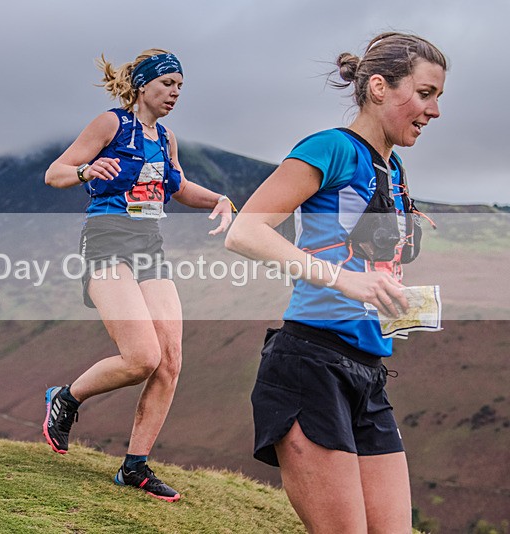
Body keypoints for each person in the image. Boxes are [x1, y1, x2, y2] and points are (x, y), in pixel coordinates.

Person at [225, 32, 446, 532]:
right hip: (310, 367)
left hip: (368, 374)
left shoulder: (394, 167)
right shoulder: (331, 148)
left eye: (438, 97)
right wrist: (345, 282)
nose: (434, 110)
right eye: (426, 93)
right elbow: (246, 232)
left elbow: (366, 262)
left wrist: (395, 298)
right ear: (378, 88)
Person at [42, 49, 234, 502]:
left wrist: (219, 199)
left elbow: (178, 186)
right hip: (106, 240)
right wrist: (87, 169)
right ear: (143, 85)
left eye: (180, 87)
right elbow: (55, 173)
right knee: (141, 357)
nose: (175, 94)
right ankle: (66, 398)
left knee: (170, 359)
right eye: (168, 84)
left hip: (150, 246)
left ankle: (135, 467)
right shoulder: (111, 124)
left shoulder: (166, 138)